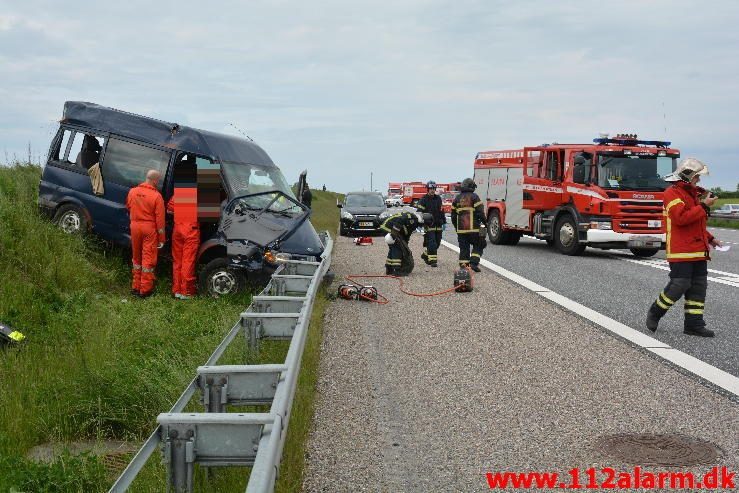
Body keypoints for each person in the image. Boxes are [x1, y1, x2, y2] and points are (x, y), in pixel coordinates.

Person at [646, 158, 722, 337]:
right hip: (681, 250)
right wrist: (704, 206)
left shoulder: (693, 195)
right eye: (697, 177)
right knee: (679, 285)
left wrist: (710, 239)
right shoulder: (671, 194)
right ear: (687, 176)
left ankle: (693, 324)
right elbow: (681, 218)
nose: (699, 181)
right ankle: (655, 312)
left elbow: (696, 223)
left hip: (698, 250)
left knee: (698, 287)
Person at [126, 169, 166, 298]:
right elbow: (160, 222)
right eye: (158, 181)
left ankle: (135, 287)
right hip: (149, 229)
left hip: (135, 226)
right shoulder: (157, 196)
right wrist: (162, 239)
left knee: (136, 257)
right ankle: (145, 290)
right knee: (148, 259)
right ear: (155, 180)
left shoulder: (132, 191)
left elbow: (128, 207)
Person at [167, 157, 199, 300]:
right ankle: (186, 292)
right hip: (191, 231)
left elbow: (169, 209)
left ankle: (177, 290)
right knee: (188, 261)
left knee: (177, 261)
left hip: (178, 229)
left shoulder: (180, 192)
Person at [380, 211, 431, 276]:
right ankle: (397, 269)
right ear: (423, 221)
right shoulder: (413, 219)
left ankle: (389, 268)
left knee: (394, 248)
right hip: (389, 229)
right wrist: (393, 235)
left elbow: (407, 234)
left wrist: (405, 244)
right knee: (397, 248)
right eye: (424, 225)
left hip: (389, 228)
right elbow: (400, 220)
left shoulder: (414, 222)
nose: (423, 226)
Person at [451, 178, 486, 272]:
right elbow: (480, 213)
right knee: (479, 244)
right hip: (474, 229)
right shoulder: (475, 197)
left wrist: (456, 228)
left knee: (464, 248)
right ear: (471, 187)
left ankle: (464, 266)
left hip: (461, 230)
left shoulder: (457, 199)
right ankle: (474, 263)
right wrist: (485, 223)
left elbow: (453, 216)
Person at [416, 180, 446, 267]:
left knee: (437, 243)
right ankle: (432, 261)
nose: (432, 190)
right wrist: (420, 223)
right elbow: (419, 212)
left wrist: (443, 222)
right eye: (430, 188)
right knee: (432, 243)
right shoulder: (423, 200)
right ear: (427, 189)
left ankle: (425, 254)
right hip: (429, 225)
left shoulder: (438, 199)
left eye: (433, 188)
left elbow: (441, 211)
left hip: (438, 224)